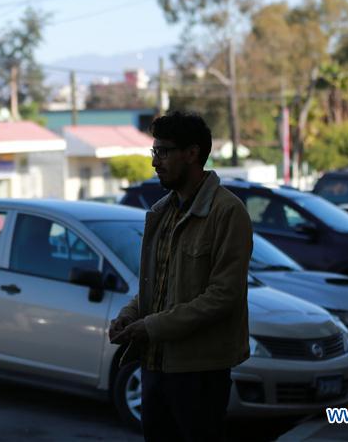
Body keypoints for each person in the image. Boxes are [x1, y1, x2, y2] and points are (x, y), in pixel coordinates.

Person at [108, 111, 252, 441]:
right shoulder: (161, 212)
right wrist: (129, 316)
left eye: (163, 152)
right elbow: (157, 286)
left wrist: (152, 327)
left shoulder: (228, 212)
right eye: (153, 152)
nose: (155, 162)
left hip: (199, 372)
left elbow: (223, 296)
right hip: (155, 365)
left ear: (192, 153)